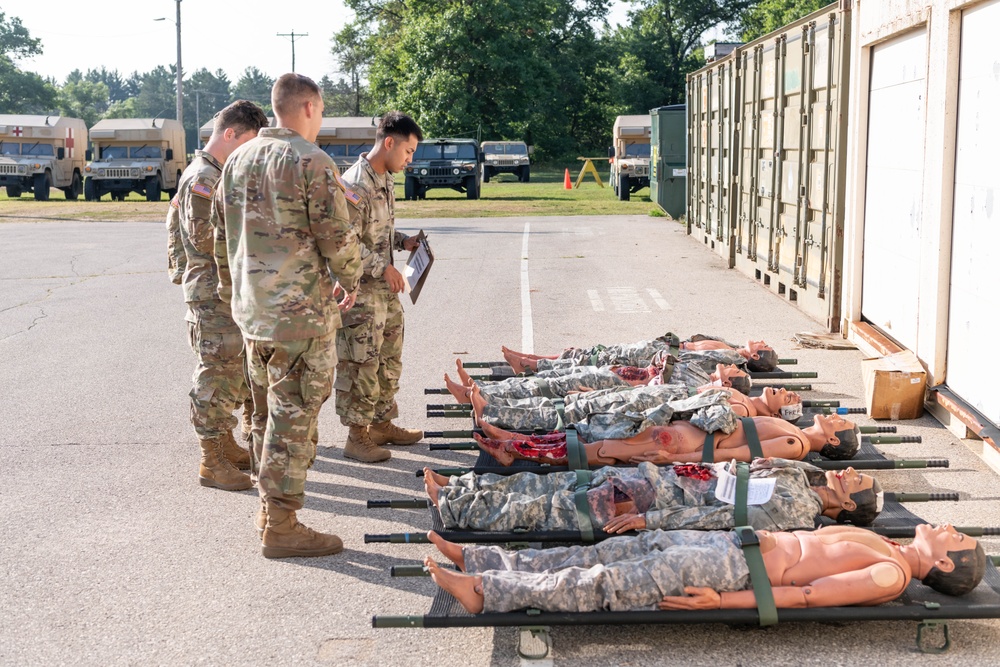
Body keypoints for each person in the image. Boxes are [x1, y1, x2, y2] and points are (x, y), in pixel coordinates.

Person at [214, 73, 362, 559]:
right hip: (299, 317)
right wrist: (352, 278)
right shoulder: (310, 161)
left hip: (253, 314)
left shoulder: (236, 158)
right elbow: (337, 240)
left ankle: (267, 510)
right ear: (310, 107)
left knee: (264, 415)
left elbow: (220, 237)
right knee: (291, 420)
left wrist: (231, 292)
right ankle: (281, 524)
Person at [423, 523, 986, 614]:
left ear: (941, 560)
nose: (946, 526)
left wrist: (726, 603)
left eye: (955, 537)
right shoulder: (887, 544)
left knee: (605, 582)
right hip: (729, 544)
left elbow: (808, 596)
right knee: (602, 554)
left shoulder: (891, 574)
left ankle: (484, 591)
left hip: (733, 572)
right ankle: (483, 558)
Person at [166, 100, 270, 492]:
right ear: (230, 134)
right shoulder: (203, 178)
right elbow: (205, 238)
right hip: (212, 293)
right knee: (216, 372)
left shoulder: (218, 173)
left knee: (233, 372)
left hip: (226, 290)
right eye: (248, 142)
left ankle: (224, 443)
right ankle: (211, 459)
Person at [423, 458, 883, 533]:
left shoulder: (798, 511)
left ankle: (456, 510)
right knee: (552, 485)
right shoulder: (803, 479)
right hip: (663, 477)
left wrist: (652, 522)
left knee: (550, 509)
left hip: (662, 503)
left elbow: (722, 521)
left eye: (854, 482)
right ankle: (465, 487)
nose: (846, 473)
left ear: (844, 506)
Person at [335, 112, 425, 463]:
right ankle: (356, 437)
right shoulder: (355, 184)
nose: (410, 159)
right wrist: (382, 266)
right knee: (361, 364)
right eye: (408, 151)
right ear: (389, 142)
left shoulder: (384, 178)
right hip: (361, 295)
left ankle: (382, 424)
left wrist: (405, 242)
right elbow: (344, 242)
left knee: (388, 360)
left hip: (383, 294)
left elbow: (379, 234)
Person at [470, 398, 860, 466]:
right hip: (684, 430)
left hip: (685, 442)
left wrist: (675, 459)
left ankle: (515, 450)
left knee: (601, 450)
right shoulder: (793, 429)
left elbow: (736, 456)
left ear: (834, 441)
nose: (837, 416)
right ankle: (513, 442)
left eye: (842, 423)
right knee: (595, 439)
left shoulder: (794, 442)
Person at [473, 378, 800, 441]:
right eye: (787, 391)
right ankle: (497, 407)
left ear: (775, 415)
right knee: (576, 403)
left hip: (646, 413)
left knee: (573, 416)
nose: (782, 390)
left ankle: (495, 415)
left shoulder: (743, 413)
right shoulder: (740, 397)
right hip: (644, 399)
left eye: (786, 398)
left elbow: (691, 416)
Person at [502, 333, 778, 373]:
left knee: (594, 359)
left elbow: (690, 359)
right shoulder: (729, 347)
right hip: (658, 349)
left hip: (654, 356)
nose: (760, 341)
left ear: (754, 357)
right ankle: (529, 358)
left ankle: (529, 364)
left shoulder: (731, 359)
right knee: (593, 353)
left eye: (762, 347)